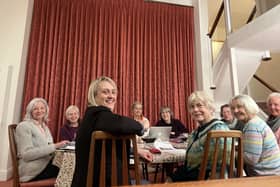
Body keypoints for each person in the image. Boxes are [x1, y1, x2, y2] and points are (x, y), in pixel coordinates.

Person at [71, 76, 153, 187]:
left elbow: (105, 147)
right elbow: (122, 125)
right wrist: (140, 127)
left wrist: (136, 151)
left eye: (113, 92)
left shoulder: (92, 116)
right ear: (94, 96)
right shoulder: (98, 113)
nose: (111, 96)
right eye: (105, 92)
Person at [166, 91, 231, 182]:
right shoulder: (195, 131)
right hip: (191, 173)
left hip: (205, 179)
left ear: (210, 108)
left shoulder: (218, 129)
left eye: (199, 105)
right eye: (192, 107)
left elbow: (220, 166)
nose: (195, 109)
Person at [15, 98, 69, 182]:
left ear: (46, 110)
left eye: (42, 108)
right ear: (30, 111)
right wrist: (55, 146)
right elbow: (26, 155)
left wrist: (61, 147)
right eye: (35, 109)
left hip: (45, 163)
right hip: (33, 170)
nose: (39, 111)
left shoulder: (44, 126)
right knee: (69, 169)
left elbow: (48, 148)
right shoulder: (24, 126)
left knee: (70, 163)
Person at [230, 94, 280, 176]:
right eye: (233, 108)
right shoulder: (255, 121)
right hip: (272, 171)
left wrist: (231, 153)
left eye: (239, 107)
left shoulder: (253, 126)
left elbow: (251, 159)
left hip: (268, 175)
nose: (235, 111)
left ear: (248, 107)